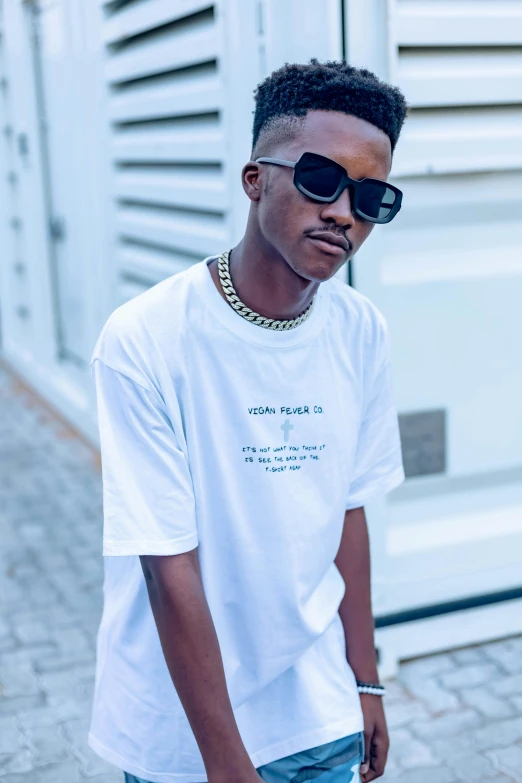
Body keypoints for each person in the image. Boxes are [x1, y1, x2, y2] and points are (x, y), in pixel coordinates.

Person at [88, 59, 408, 783]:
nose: (342, 212)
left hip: (317, 707)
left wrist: (366, 679)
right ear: (255, 178)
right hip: (185, 730)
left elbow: (347, 510)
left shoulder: (362, 331)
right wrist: (228, 766)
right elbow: (168, 567)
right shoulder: (145, 338)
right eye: (321, 179)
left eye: (369, 197)